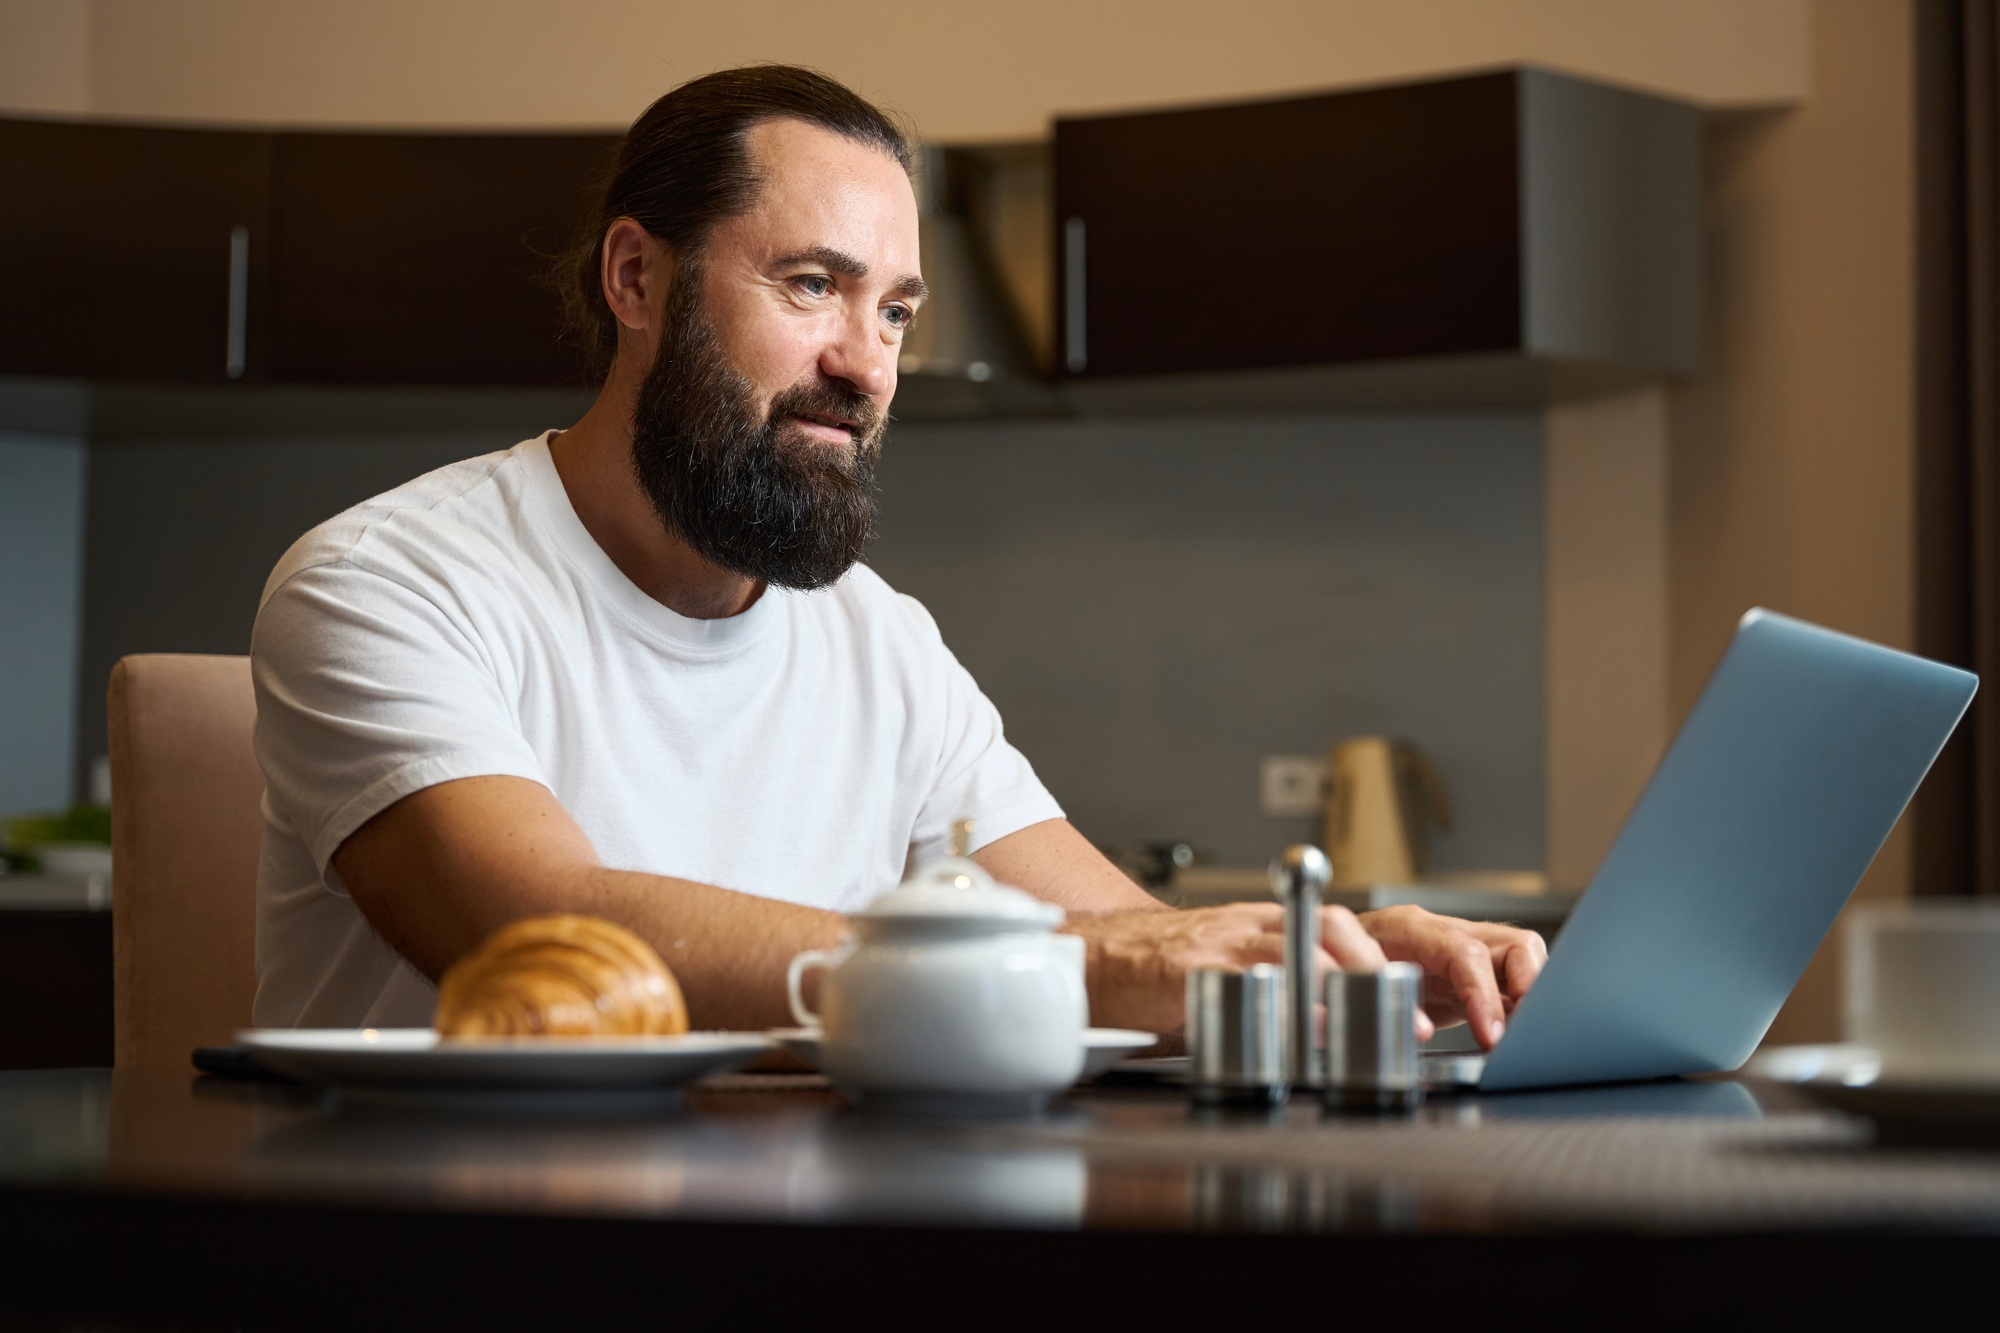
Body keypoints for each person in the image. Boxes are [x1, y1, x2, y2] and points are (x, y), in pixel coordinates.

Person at [250, 65, 1546, 1044]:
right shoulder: (384, 584)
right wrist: (1095, 967)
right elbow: (539, 926)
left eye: (896, 311)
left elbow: (1127, 929)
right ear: (636, 281)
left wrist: (1351, 953)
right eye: (812, 285)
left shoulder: (879, 637)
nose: (864, 363)